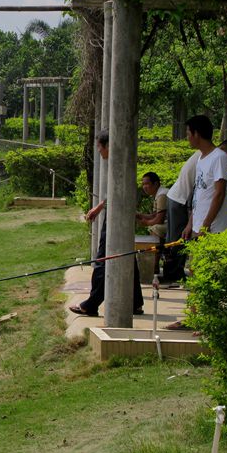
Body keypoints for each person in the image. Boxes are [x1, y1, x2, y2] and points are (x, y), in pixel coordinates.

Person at [69, 129, 144, 317]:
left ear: (108, 146)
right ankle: (135, 302)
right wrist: (99, 207)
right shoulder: (120, 162)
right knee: (127, 256)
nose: (99, 152)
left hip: (116, 219)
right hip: (119, 215)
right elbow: (113, 195)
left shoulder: (118, 165)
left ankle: (91, 304)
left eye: (99, 147)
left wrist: (100, 208)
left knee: (103, 260)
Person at [162, 137, 227, 282]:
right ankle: (173, 276)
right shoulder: (211, 158)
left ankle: (177, 274)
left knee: (183, 240)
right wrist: (198, 222)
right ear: (223, 149)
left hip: (182, 198)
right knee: (180, 240)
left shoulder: (209, 156)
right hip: (180, 198)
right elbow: (205, 193)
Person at [183, 117, 227, 239]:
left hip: (213, 229)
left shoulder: (219, 157)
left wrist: (205, 226)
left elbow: (219, 194)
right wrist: (190, 223)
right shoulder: (201, 158)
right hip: (199, 227)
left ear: (197, 134)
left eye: (188, 134)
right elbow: (199, 194)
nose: (187, 137)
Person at [135, 171, 168, 275]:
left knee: (155, 228)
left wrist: (146, 223)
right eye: (143, 184)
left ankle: (154, 265)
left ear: (156, 184)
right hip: (168, 223)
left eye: (147, 184)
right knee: (153, 227)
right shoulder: (157, 194)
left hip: (173, 225)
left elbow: (159, 220)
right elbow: (154, 215)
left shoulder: (162, 195)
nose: (144, 187)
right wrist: (139, 215)